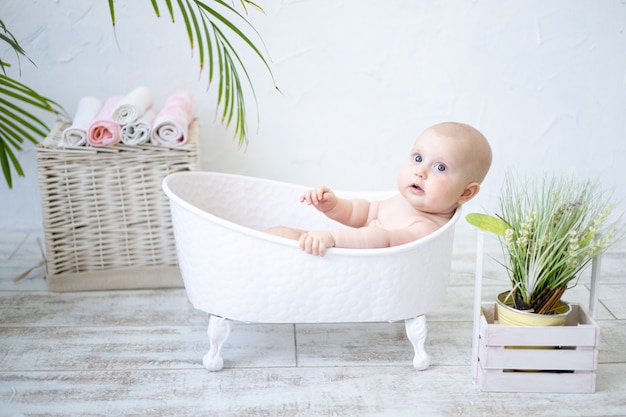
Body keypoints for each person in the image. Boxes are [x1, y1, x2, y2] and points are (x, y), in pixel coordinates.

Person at [266, 122, 492, 256]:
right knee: (281, 233)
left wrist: (332, 238)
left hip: (349, 267)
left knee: (291, 242)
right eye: (418, 158)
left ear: (466, 193)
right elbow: (362, 213)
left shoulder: (426, 229)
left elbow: (382, 239)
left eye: (440, 167)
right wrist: (333, 205)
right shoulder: (402, 202)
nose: (420, 172)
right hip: (337, 249)